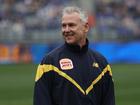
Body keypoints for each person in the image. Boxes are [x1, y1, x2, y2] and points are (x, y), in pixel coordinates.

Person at [33, 6, 115, 105]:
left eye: (71, 25)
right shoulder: (49, 63)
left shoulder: (102, 63)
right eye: (64, 26)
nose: (66, 30)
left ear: (86, 27)